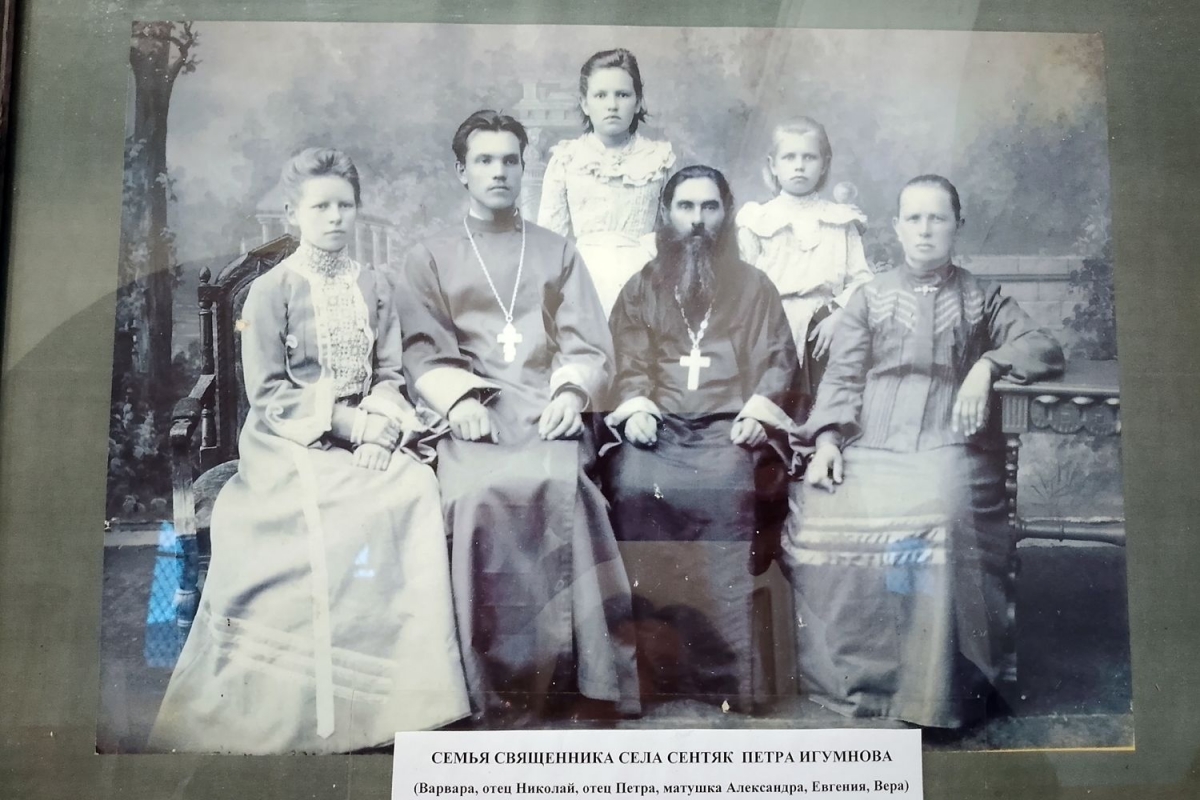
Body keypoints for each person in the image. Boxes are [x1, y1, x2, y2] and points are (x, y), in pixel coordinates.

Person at [148, 148, 469, 754]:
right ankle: (316, 701)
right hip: (289, 439)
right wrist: (351, 427)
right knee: (336, 515)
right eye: (320, 207)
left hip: (364, 430)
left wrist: (380, 427)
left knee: (413, 489)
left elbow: (389, 373)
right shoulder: (270, 291)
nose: (335, 217)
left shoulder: (376, 285)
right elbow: (268, 393)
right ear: (294, 213)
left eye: (345, 205)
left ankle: (403, 698)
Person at [782, 175, 1065, 729]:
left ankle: (930, 690)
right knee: (823, 513)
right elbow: (842, 376)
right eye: (914, 218)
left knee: (935, 517)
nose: (925, 229)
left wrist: (987, 365)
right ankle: (869, 684)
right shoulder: (869, 296)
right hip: (871, 438)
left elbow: (1042, 346)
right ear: (896, 227)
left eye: (937, 217)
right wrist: (828, 440)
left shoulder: (983, 297)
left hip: (948, 439)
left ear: (957, 225)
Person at [397, 110, 640, 723]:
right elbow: (423, 348)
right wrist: (458, 402)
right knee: (475, 497)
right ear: (461, 171)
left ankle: (580, 678)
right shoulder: (430, 256)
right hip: (473, 411)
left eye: (510, 159)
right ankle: (490, 686)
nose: (499, 171)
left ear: (523, 167)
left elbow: (587, 343)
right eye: (484, 160)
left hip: (545, 406)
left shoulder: (557, 251)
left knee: (564, 486)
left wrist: (570, 396)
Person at [602, 165, 806, 712]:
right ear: (666, 214)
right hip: (659, 432)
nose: (697, 220)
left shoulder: (754, 286)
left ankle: (726, 679)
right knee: (631, 484)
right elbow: (626, 357)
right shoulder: (642, 286)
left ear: (726, 213)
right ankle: (651, 675)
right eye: (686, 207)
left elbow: (778, 359)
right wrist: (635, 405)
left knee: (726, 489)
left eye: (709, 207)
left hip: (728, 431)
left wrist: (759, 413)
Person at [736, 117, 874, 400]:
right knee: (770, 402)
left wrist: (841, 314)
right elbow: (741, 284)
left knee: (821, 401)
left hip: (825, 328)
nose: (799, 166)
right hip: (771, 326)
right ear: (773, 165)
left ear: (824, 164)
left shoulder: (841, 220)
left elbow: (861, 279)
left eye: (809, 157)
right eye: (789, 157)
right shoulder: (757, 219)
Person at [536, 48, 676, 316]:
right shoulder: (567, 159)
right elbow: (550, 239)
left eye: (622, 95)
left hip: (643, 278)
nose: (612, 105)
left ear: (638, 102)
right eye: (601, 95)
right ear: (585, 104)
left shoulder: (659, 159)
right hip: (581, 279)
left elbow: (671, 232)